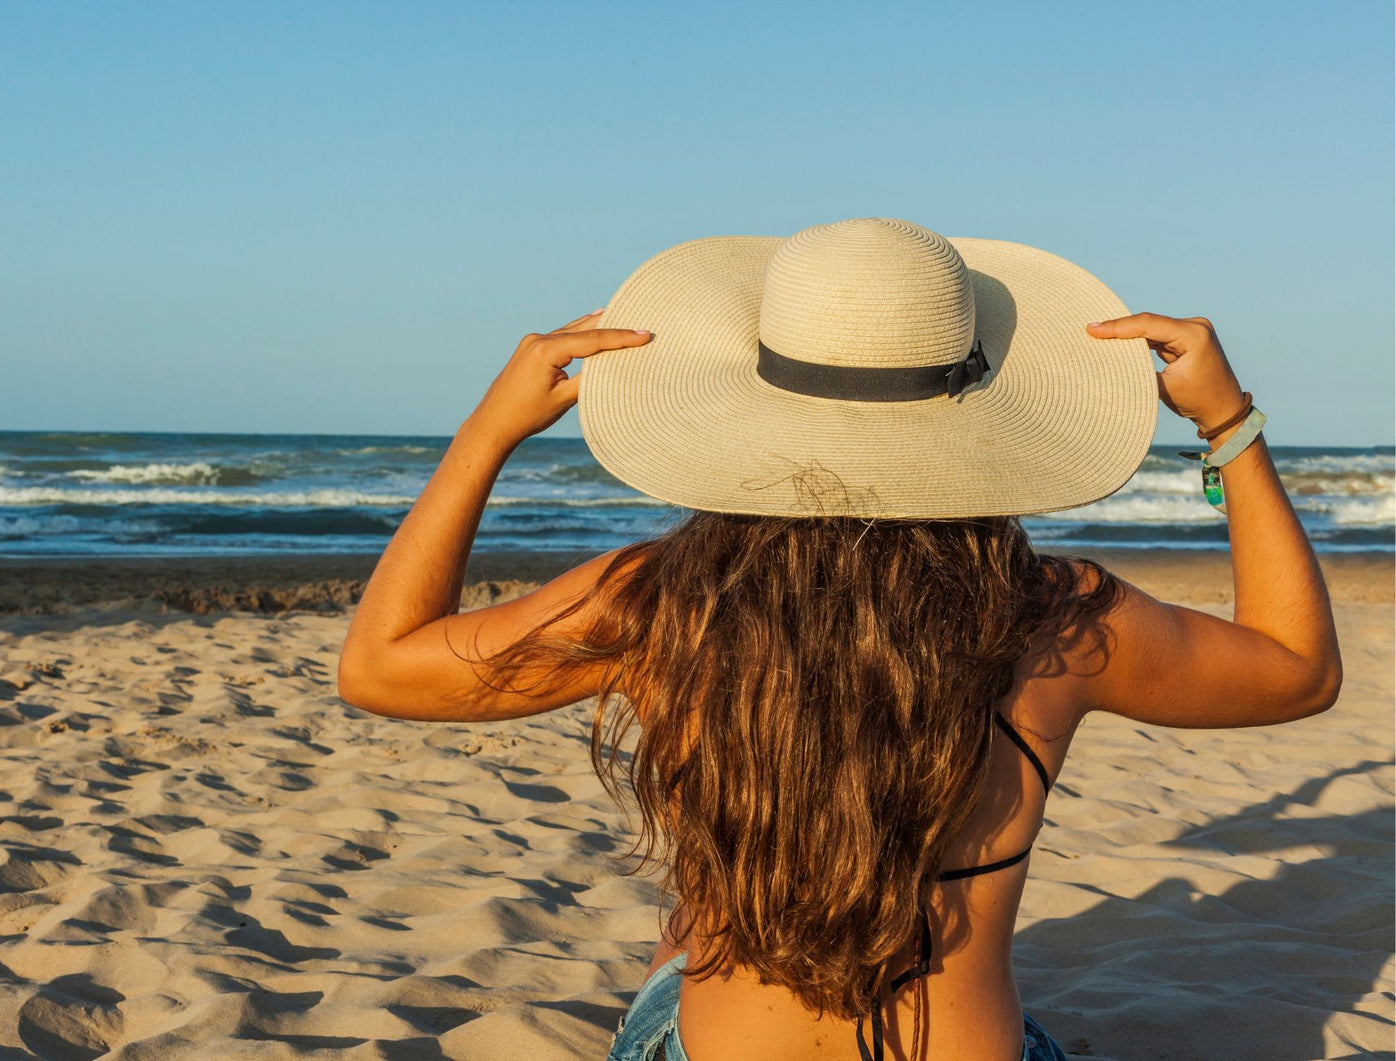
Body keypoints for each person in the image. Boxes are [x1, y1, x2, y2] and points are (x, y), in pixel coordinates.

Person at [337, 219, 1341, 1060]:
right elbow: (1299, 669)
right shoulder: (1051, 616)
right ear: (979, 404)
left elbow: (380, 664)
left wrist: (486, 432)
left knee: (690, 928)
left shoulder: (658, 603)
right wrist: (1230, 427)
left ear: (757, 399)